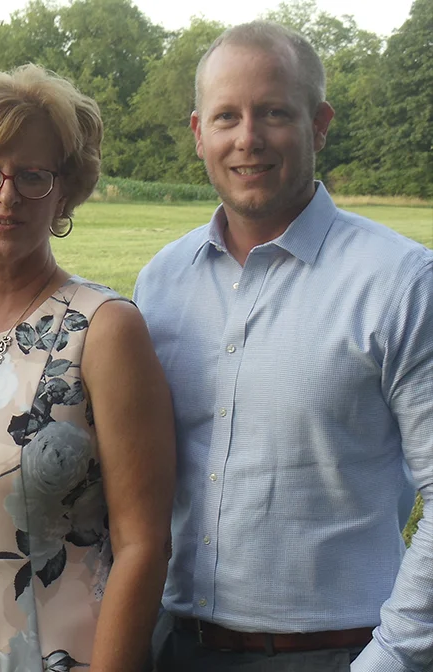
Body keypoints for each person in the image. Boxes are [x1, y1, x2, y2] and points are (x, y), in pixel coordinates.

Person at [134, 21, 433, 672]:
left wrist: (389, 662)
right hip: (175, 647)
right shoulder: (161, 283)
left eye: (273, 112)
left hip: (339, 652)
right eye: (226, 117)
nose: (248, 139)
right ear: (197, 134)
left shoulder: (401, 282)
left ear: (319, 123)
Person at [0, 65, 175, 672]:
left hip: (55, 649)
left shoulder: (105, 329)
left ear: (65, 191)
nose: (6, 195)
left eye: (33, 176)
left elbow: (143, 543)